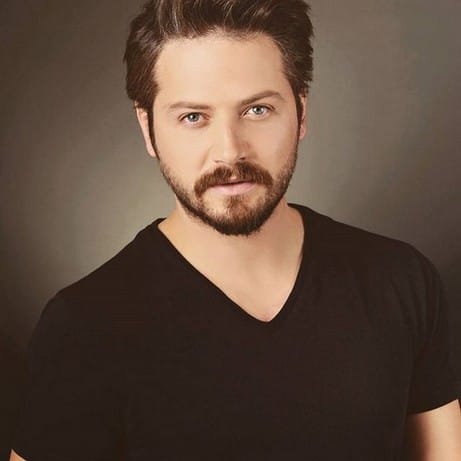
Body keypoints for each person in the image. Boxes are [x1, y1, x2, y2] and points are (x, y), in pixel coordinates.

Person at [10, 0, 461, 459]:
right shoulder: (83, 328)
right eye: (193, 117)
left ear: (301, 113)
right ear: (148, 129)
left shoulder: (402, 281)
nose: (229, 151)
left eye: (258, 110)